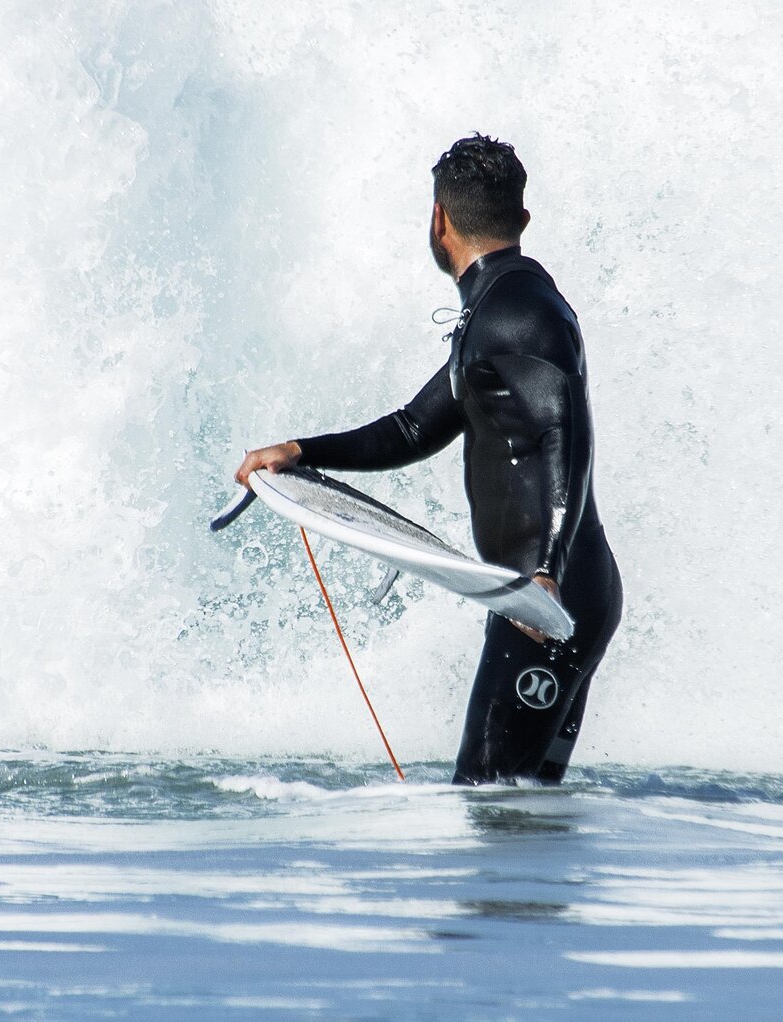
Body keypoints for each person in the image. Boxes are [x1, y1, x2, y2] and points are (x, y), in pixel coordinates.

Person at [235, 135, 624, 785]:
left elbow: (566, 437)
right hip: (552, 596)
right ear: (521, 221)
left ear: (438, 218)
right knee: (525, 809)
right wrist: (300, 452)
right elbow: (413, 428)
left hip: (548, 603)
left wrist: (545, 575)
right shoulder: (498, 312)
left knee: (489, 794)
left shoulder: (520, 313)